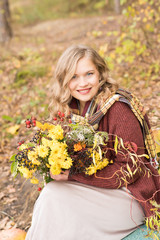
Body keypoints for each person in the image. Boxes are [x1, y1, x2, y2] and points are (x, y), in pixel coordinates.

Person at [25, 44, 160, 240]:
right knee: (51, 194)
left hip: (131, 196)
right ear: (64, 80)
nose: (83, 83)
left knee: (55, 198)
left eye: (89, 74)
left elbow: (131, 168)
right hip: (97, 190)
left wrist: (73, 176)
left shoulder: (118, 109)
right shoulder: (71, 110)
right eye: (74, 77)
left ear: (100, 74)